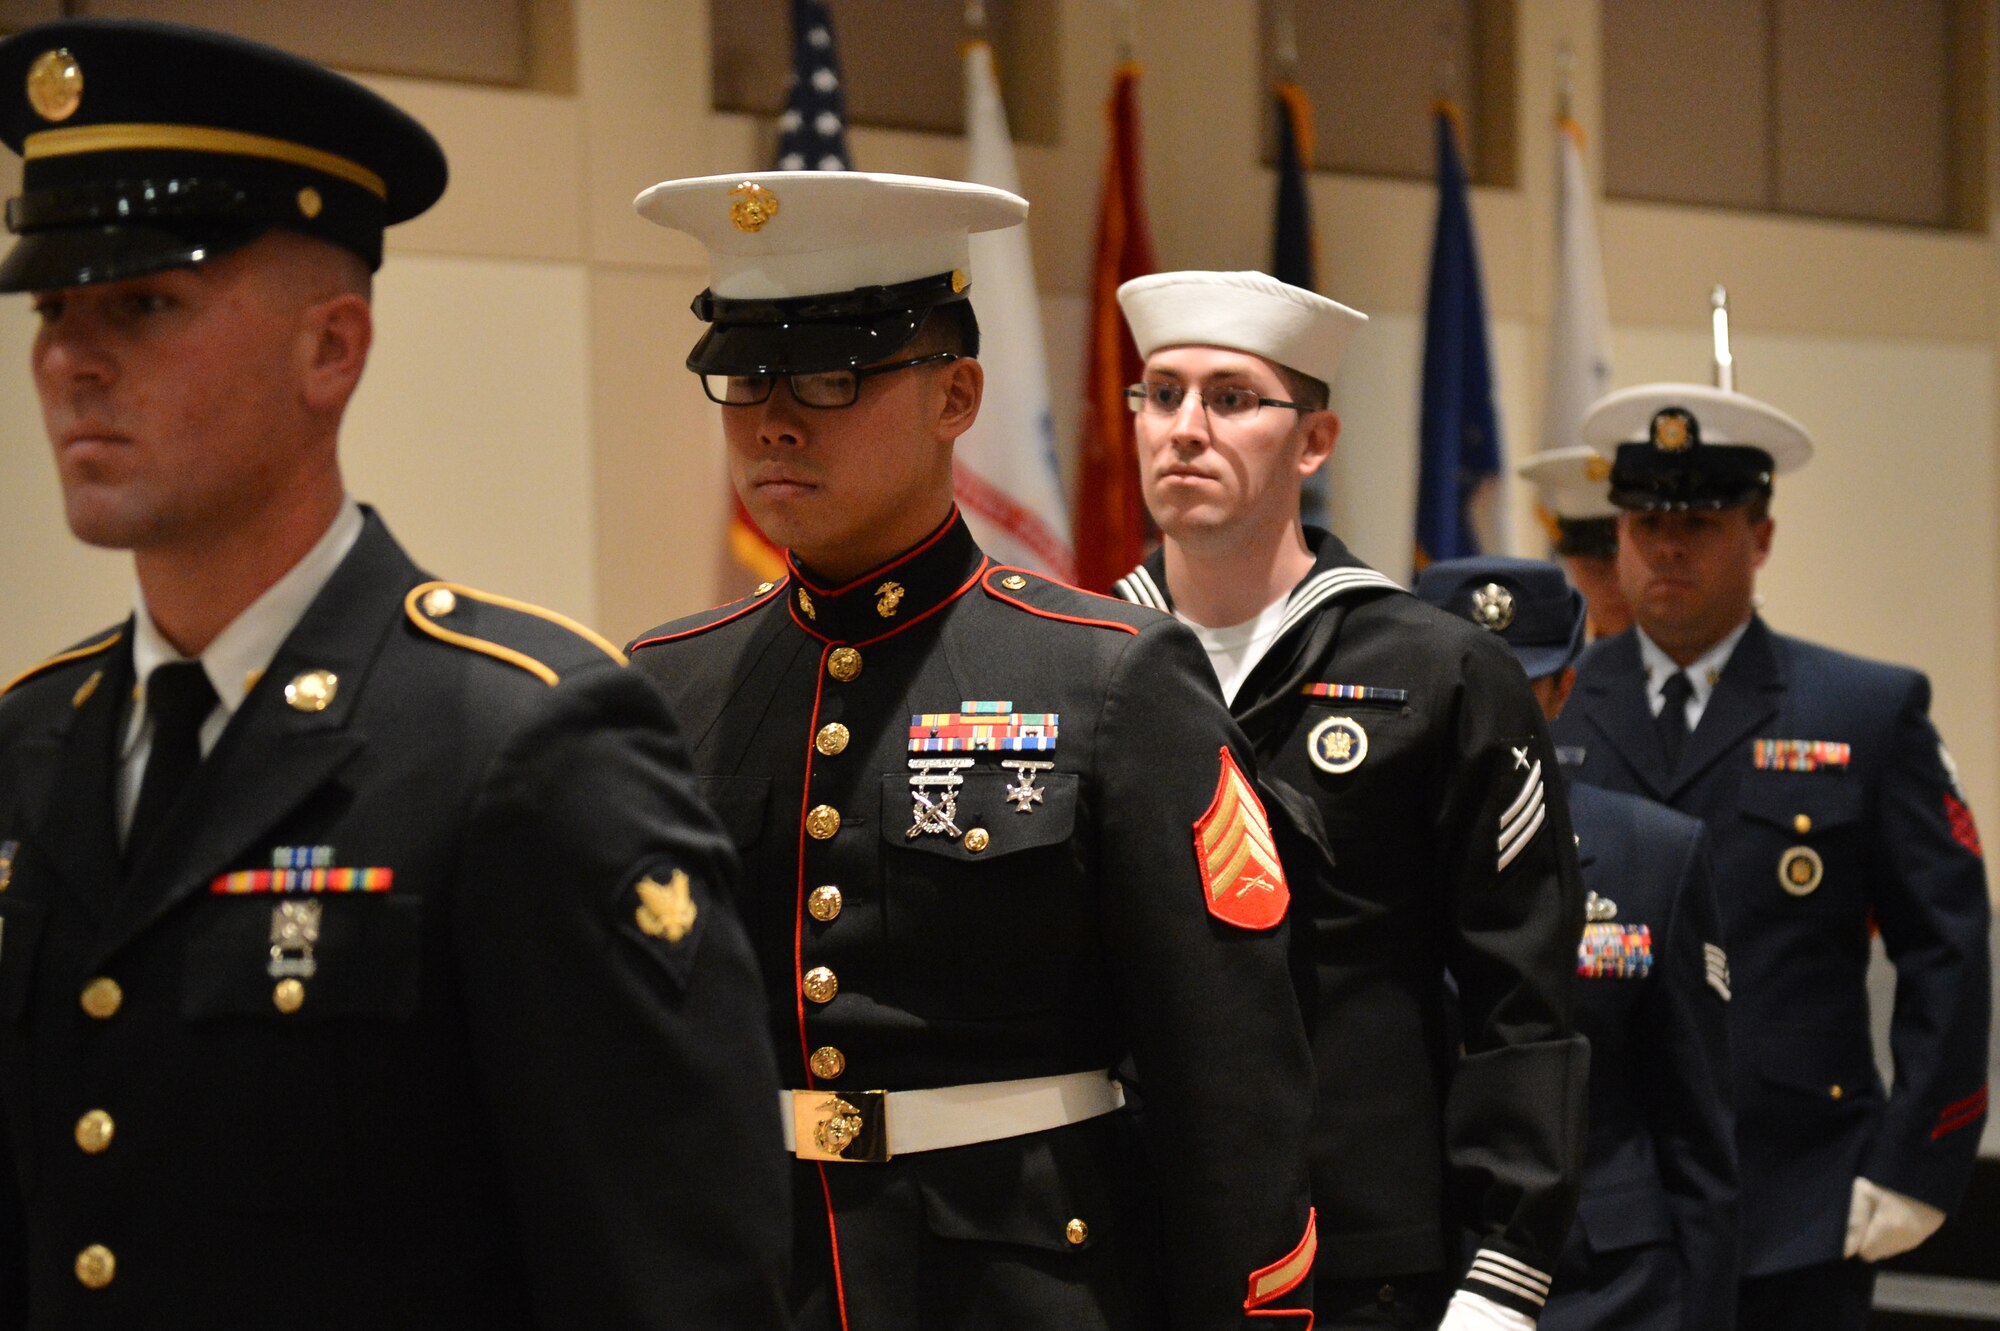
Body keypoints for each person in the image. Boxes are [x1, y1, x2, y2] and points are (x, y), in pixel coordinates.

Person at [0, 19, 790, 1328]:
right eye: (53, 310)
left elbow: (676, 1275)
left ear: (332, 350)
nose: (73, 360)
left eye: (144, 304)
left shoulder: (520, 740)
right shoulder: (33, 742)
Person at [625, 174, 1317, 1331]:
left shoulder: (1106, 675)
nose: (774, 420)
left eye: (832, 373)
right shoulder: (666, 680)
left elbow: (1228, 1073)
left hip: (1023, 1283)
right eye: (744, 375)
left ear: (957, 395)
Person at [1110, 270, 1588, 1331]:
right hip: (1122, 1242)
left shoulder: (1438, 669)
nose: (1184, 428)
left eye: (1229, 398)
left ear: (1313, 439)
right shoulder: (1081, 662)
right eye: (1159, 393)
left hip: (1364, 1254)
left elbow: (1521, 995)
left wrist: (1505, 1268)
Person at [1552, 379, 1992, 1330]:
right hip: (1595, 1202)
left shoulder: (1862, 712)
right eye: (1645, 521)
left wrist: (1917, 1159)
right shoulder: (1549, 709)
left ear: (1761, 536)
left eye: (1702, 522)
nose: (1668, 546)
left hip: (1795, 1197)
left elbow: (1948, 943)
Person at [1415, 556, 1737, 1331]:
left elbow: (1696, 1135)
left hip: (1602, 1285)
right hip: (1410, 1270)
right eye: (1466, 688)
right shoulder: (1351, 849)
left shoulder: (1654, 853)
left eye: (1519, 687)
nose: (1489, 715)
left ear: (1563, 689)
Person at [1517, 446, 1632, 637]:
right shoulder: (1557, 663)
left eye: (1628, 566)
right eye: (1594, 568)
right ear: (1572, 566)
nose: (1616, 585)